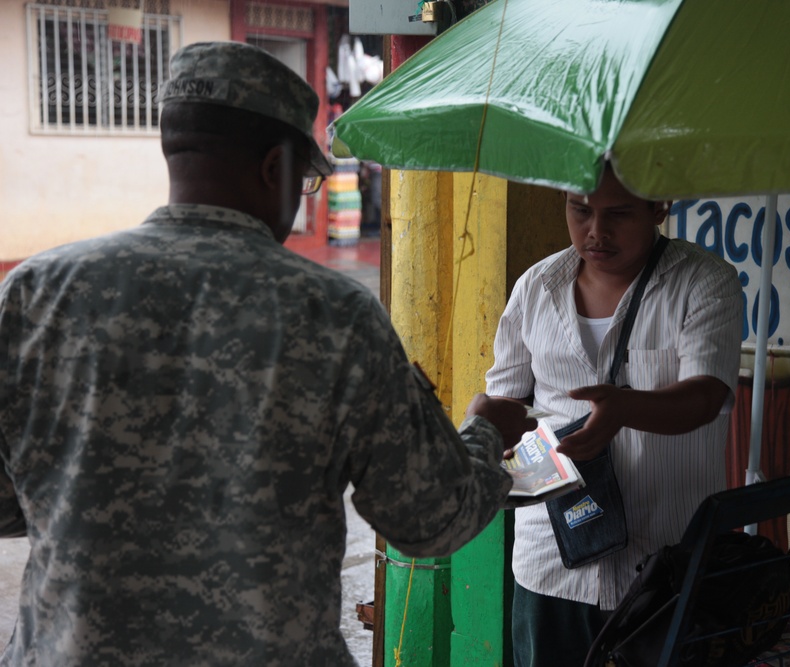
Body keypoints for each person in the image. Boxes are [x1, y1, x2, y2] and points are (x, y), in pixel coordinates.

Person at [0, 41, 533, 666]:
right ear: (275, 167)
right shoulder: (333, 315)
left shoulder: (37, 294)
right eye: (307, 180)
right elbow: (429, 518)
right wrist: (485, 436)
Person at [486, 167, 742, 666]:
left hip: (663, 563)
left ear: (659, 207)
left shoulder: (706, 283)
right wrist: (486, 417)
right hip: (550, 560)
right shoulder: (535, 288)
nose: (595, 232)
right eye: (580, 210)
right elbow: (509, 401)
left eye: (618, 214)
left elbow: (707, 395)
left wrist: (625, 409)